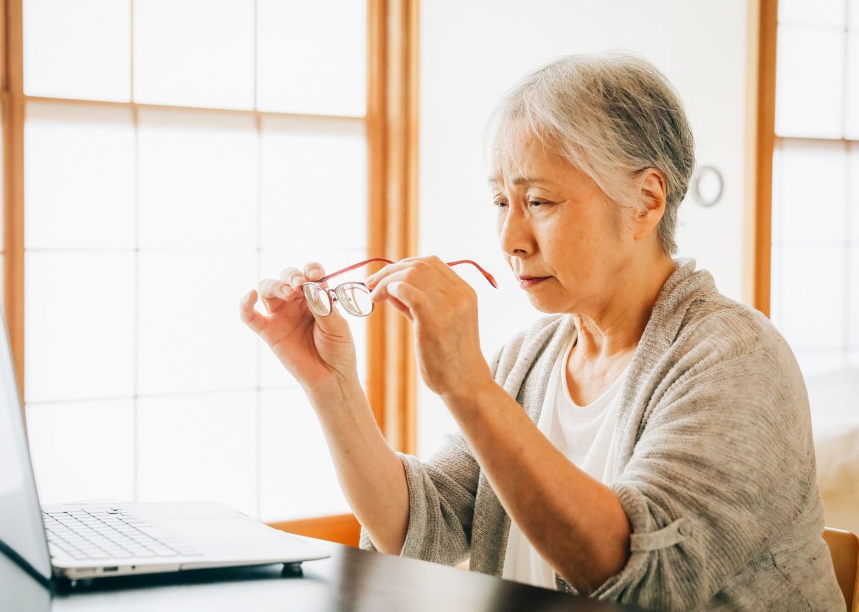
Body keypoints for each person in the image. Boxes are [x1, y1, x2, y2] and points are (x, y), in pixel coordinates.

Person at [239, 52, 844, 611]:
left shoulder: (735, 360)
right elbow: (423, 526)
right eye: (502, 202)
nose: (509, 240)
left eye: (541, 203)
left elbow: (642, 578)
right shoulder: (531, 358)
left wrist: (468, 385)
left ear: (646, 200)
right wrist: (331, 386)